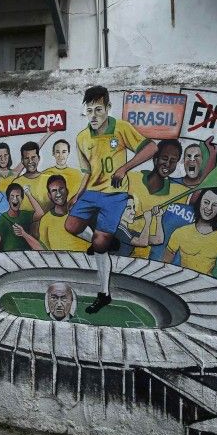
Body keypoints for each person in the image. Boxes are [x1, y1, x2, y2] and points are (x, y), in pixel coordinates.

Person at [65, 86, 158, 314]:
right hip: (92, 192)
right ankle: (106, 242)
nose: (94, 115)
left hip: (114, 195)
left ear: (108, 108)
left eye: (99, 109)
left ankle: (104, 294)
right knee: (71, 225)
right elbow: (86, 170)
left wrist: (124, 168)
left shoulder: (121, 129)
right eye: (89, 110)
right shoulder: (82, 137)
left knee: (99, 246)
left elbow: (152, 148)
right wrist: (78, 193)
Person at [125, 138, 188, 258]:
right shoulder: (131, 178)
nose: (168, 164)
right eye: (164, 158)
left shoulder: (178, 192)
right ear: (155, 159)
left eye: (173, 161)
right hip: (120, 247)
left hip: (147, 258)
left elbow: (200, 190)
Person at [21, 175, 88, 253]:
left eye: (61, 189)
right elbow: (44, 249)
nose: (58, 194)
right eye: (54, 191)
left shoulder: (78, 211)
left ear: (67, 191)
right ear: (49, 195)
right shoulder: (45, 220)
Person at [0, 183, 45, 253]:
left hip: (27, 256)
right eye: (12, 196)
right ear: (8, 199)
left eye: (18, 196)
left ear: (22, 199)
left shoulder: (25, 215)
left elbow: (40, 213)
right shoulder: (3, 219)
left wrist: (28, 194)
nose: (15, 199)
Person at [12, 141, 52, 213]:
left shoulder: (49, 180)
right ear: (22, 161)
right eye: (27, 158)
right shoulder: (16, 183)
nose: (30, 161)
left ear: (38, 158)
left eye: (33, 157)